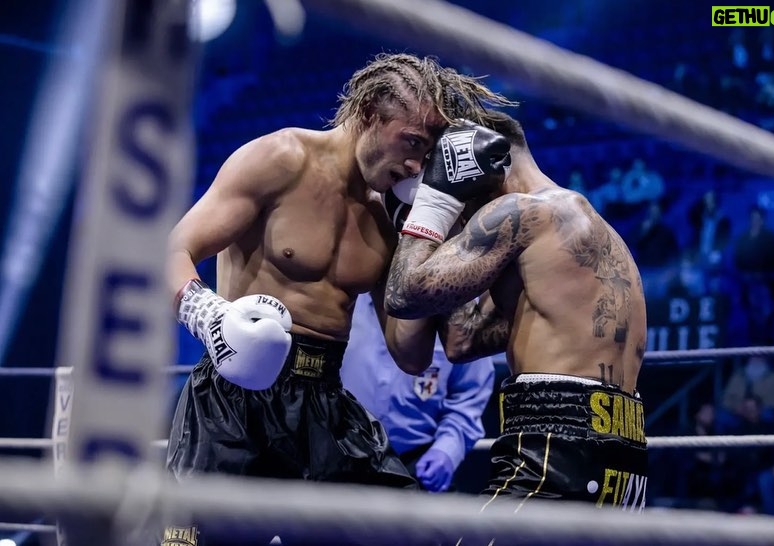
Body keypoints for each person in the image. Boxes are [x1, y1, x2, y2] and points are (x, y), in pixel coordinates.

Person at [164, 53, 514, 545]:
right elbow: (172, 249)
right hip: (235, 401)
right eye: (411, 142)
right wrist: (209, 315)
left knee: (411, 533)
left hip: (325, 403)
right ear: (369, 112)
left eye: (427, 151)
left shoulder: (391, 214)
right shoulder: (280, 159)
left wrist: (436, 238)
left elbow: (410, 355)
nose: (416, 163)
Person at [384, 111, 648, 513]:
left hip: (555, 449)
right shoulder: (585, 234)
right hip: (622, 464)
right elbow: (462, 341)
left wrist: (436, 201)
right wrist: (453, 232)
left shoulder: (524, 213)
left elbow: (405, 293)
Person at [342, 292, 495, 492]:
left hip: (418, 464)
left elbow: (469, 396)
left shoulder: (460, 315)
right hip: (344, 461)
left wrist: (446, 450)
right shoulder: (343, 302)